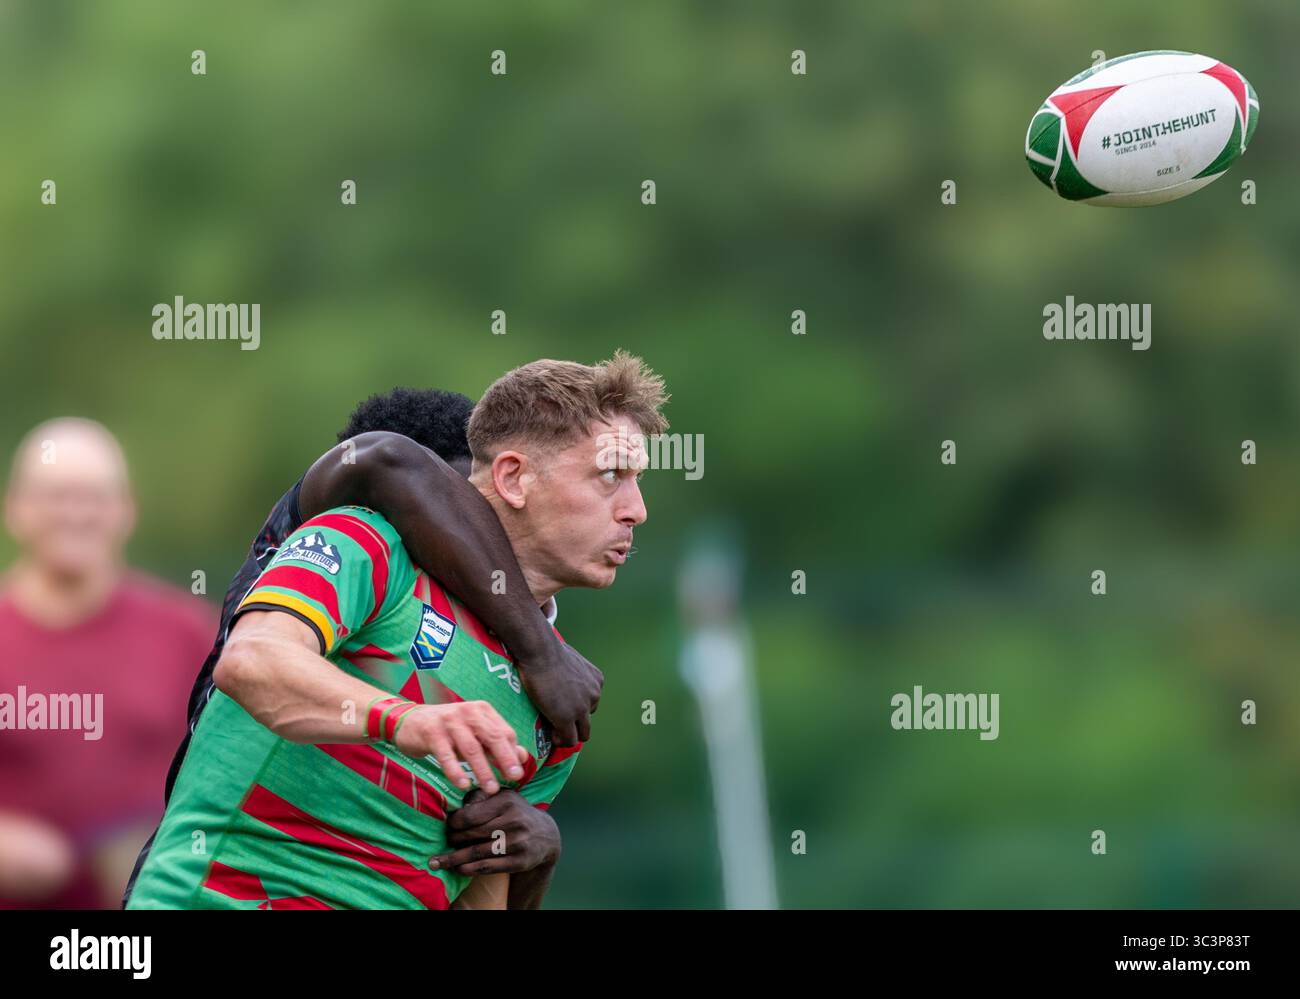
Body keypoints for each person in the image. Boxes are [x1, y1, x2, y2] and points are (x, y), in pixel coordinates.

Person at [126, 353, 667, 908]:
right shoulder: (367, 546)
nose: (637, 510)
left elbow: (480, 885)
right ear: (513, 477)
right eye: (610, 476)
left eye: (638, 481)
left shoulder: (561, 696)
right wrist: (405, 720)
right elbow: (251, 663)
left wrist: (535, 860)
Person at [0, 418, 214, 908]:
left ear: (126, 511)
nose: (76, 514)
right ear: (15, 510)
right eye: (56, 496)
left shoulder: (185, 632)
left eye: (95, 497)